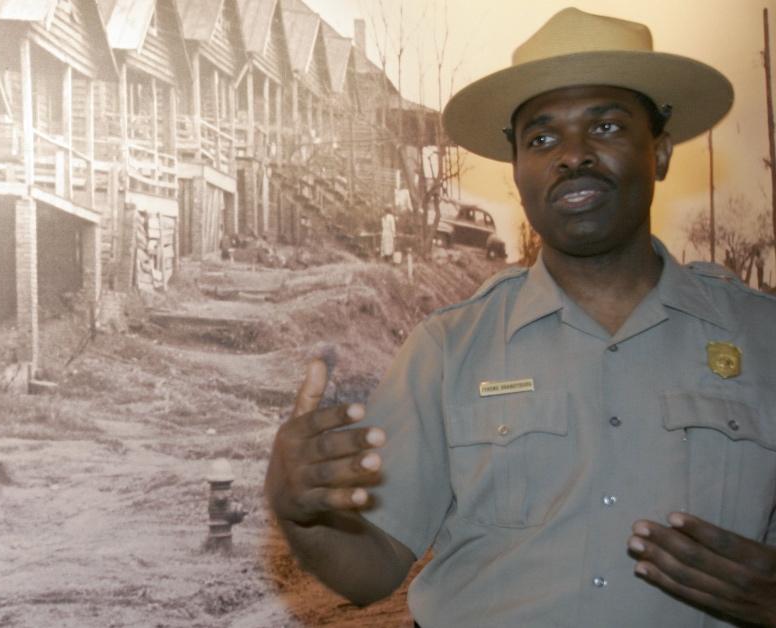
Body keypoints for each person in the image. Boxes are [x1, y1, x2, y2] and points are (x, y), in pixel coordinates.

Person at [265, 8, 776, 627]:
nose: (572, 156)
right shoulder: (450, 348)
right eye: (541, 138)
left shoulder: (762, 337)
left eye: (607, 126)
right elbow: (372, 568)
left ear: (660, 151)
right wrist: (299, 513)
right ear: (517, 170)